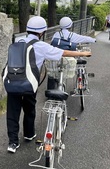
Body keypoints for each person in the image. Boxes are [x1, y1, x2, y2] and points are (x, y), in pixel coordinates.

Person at [6, 16, 92, 153]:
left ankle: (12, 143)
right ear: (41, 32)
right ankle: (29, 134)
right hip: (29, 83)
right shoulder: (42, 46)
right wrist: (83, 53)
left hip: (12, 80)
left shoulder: (18, 41)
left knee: (12, 111)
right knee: (29, 109)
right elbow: (63, 52)